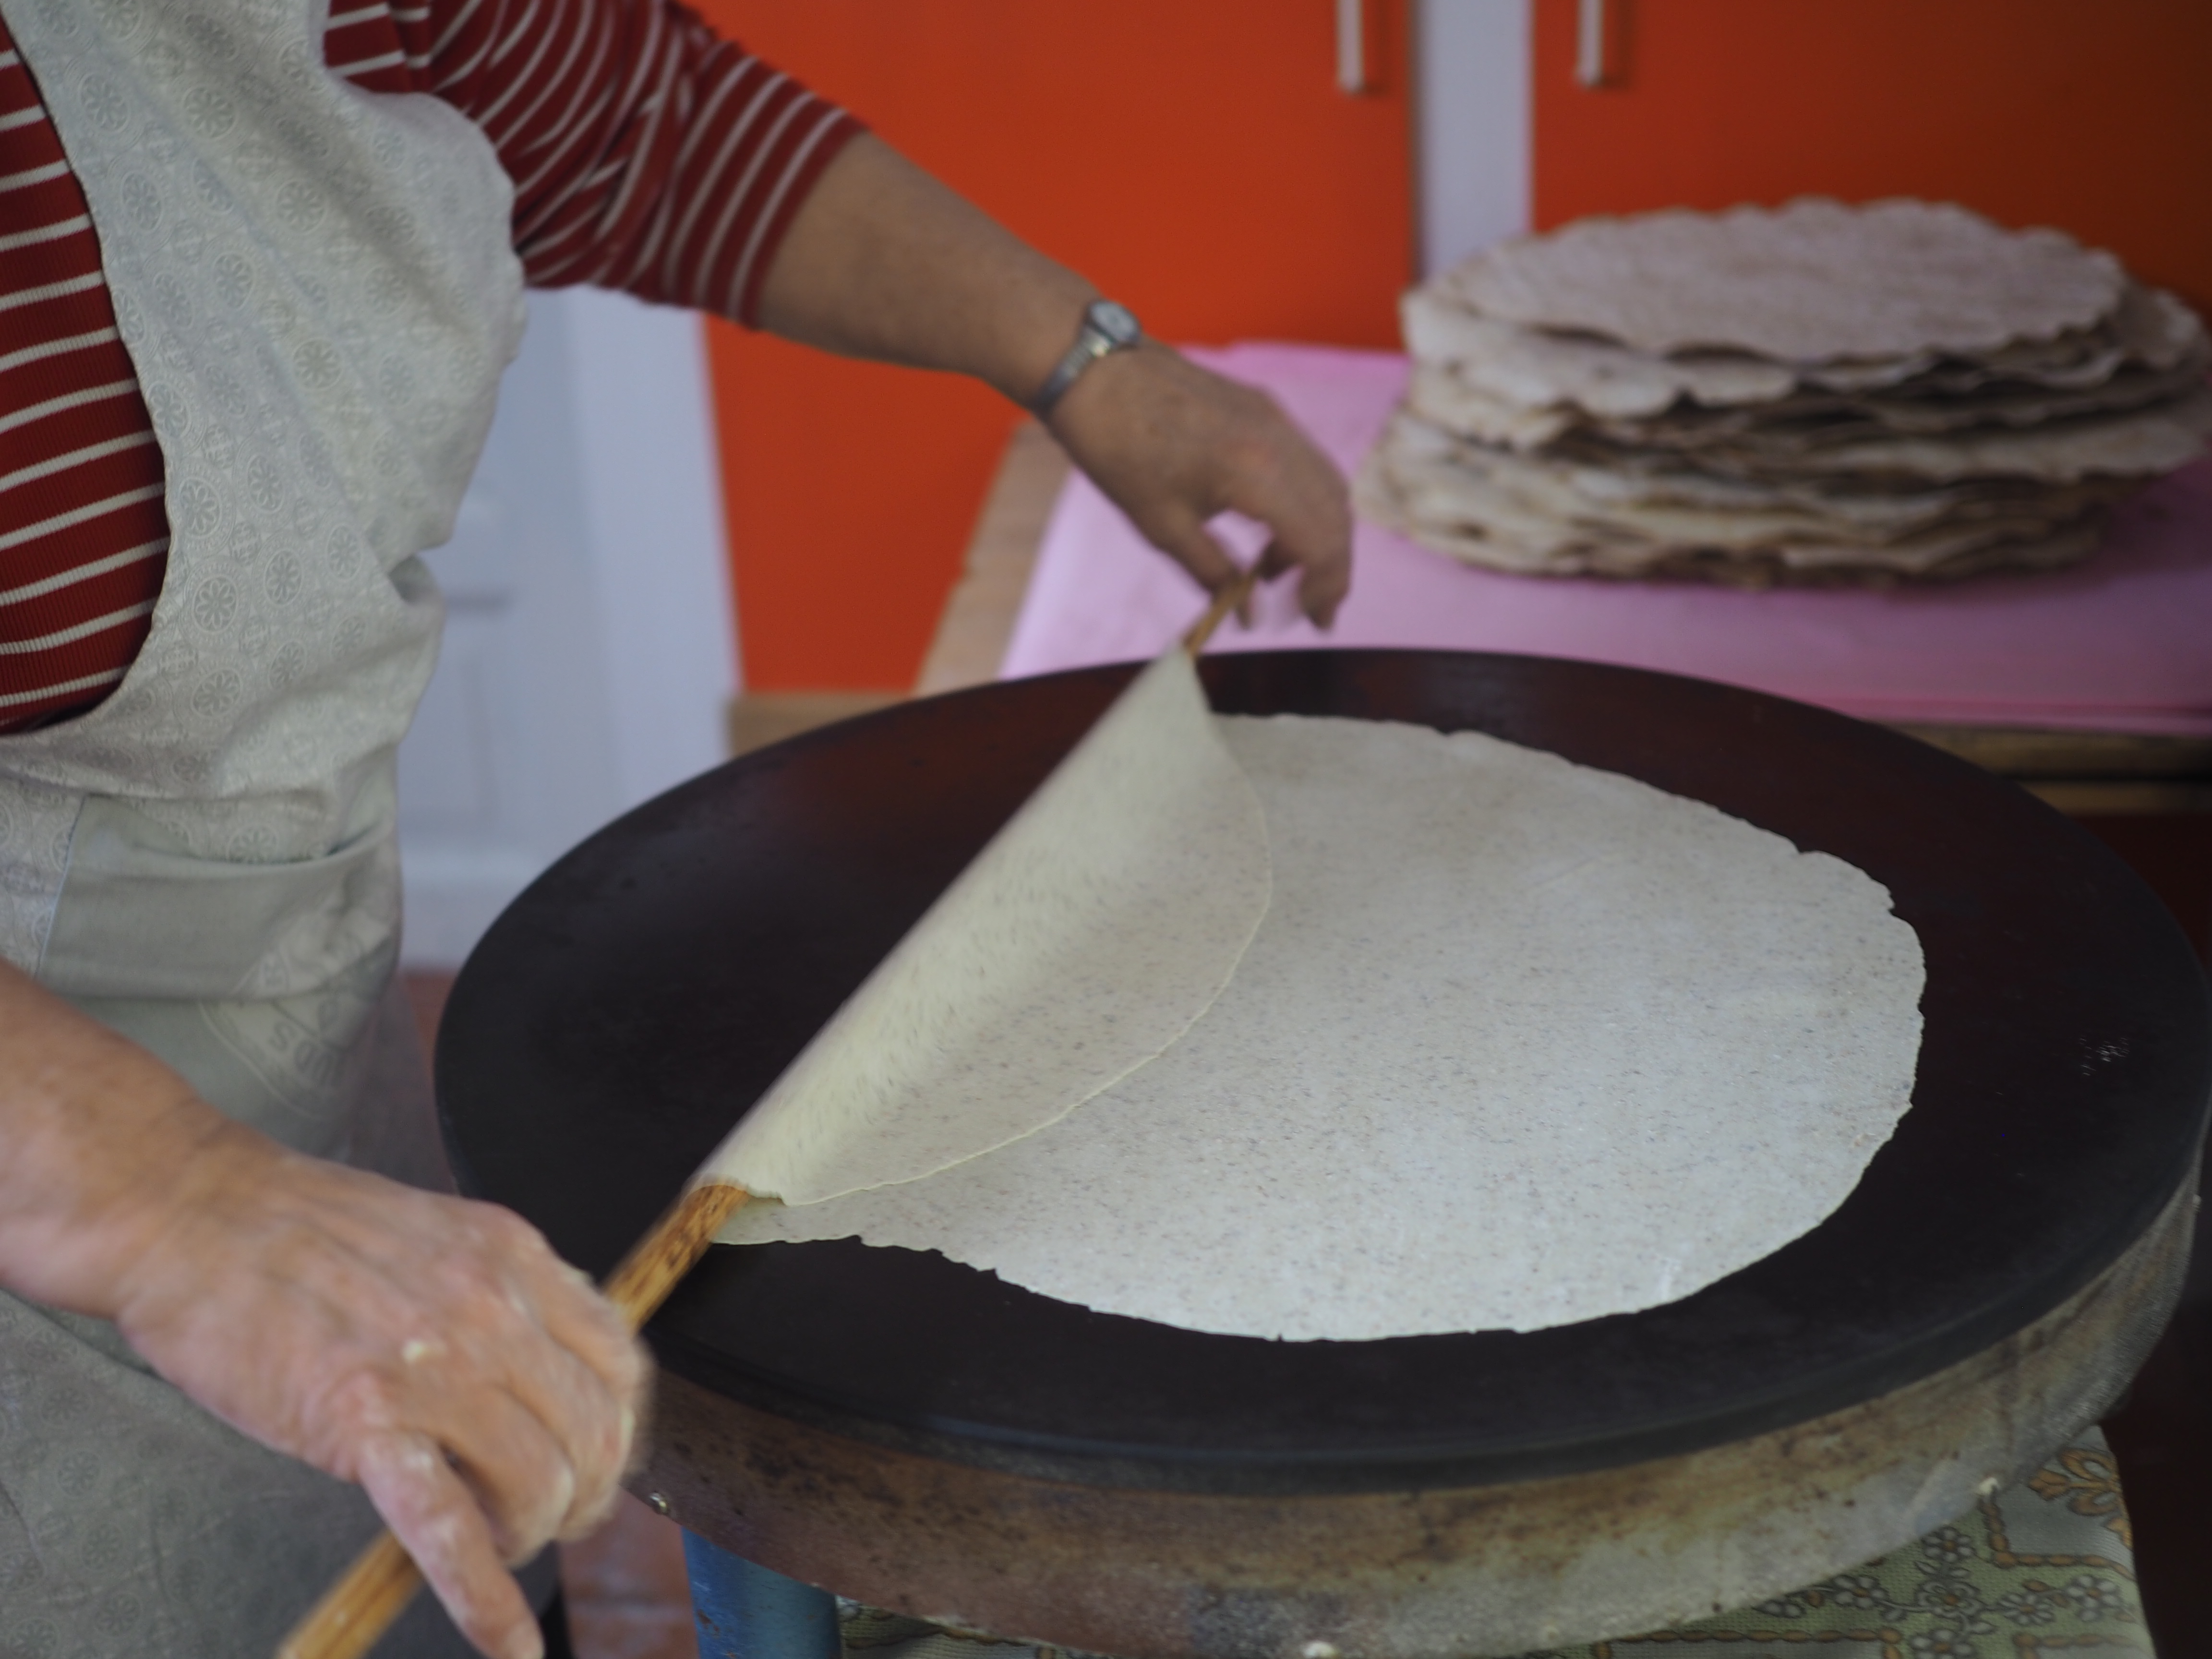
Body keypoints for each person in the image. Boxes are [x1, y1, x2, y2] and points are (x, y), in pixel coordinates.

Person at [0, 2, 1350, 1657]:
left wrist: (1088, 360)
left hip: (290, 1061)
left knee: (430, 1571)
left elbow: (632, 113)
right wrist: (162, 1194)